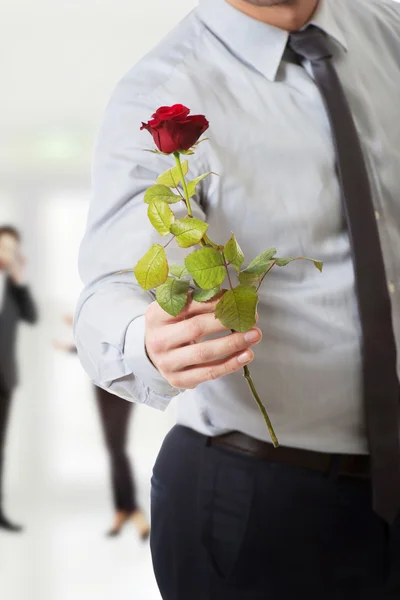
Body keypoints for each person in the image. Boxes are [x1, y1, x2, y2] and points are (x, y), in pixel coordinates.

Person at [74, 0, 400, 598]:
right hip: (261, 502)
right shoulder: (164, 91)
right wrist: (141, 342)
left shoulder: (387, 29)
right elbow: (110, 288)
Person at [54, 315, 150, 540]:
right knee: (112, 448)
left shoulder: (123, 317)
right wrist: (70, 345)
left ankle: (132, 510)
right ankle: (122, 510)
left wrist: (80, 324)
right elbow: (92, 349)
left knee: (118, 449)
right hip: (101, 384)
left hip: (124, 383)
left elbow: (124, 347)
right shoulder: (98, 312)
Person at [0, 225, 38, 533]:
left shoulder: (14, 287)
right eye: (2, 247)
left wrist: (20, 281)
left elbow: (32, 316)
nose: (6, 254)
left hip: (4, 379)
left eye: (11, 250)